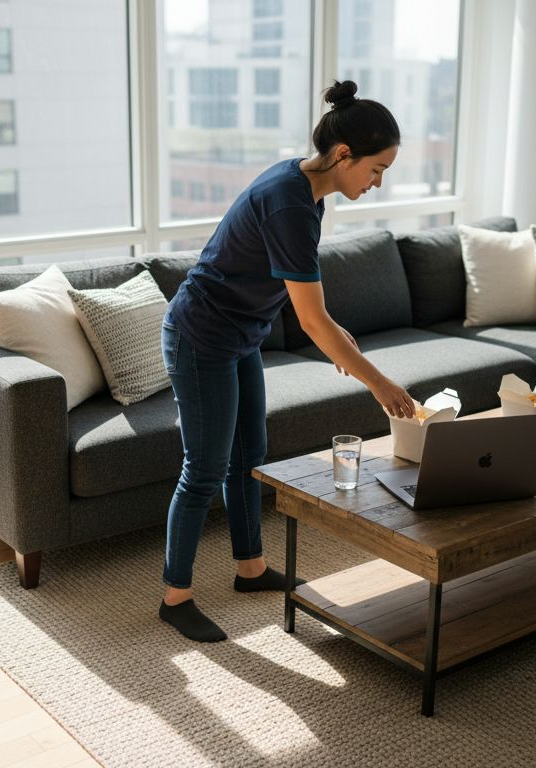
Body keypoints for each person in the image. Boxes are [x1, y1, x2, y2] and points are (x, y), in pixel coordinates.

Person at [158, 80, 417, 643]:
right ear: (344, 155)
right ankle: (174, 597)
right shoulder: (289, 202)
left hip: (241, 335)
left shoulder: (308, 189)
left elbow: (299, 294)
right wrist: (381, 385)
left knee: (249, 454)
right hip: (200, 335)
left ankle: (249, 569)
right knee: (202, 469)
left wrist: (336, 331)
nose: (378, 183)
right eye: (376, 169)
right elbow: (312, 322)